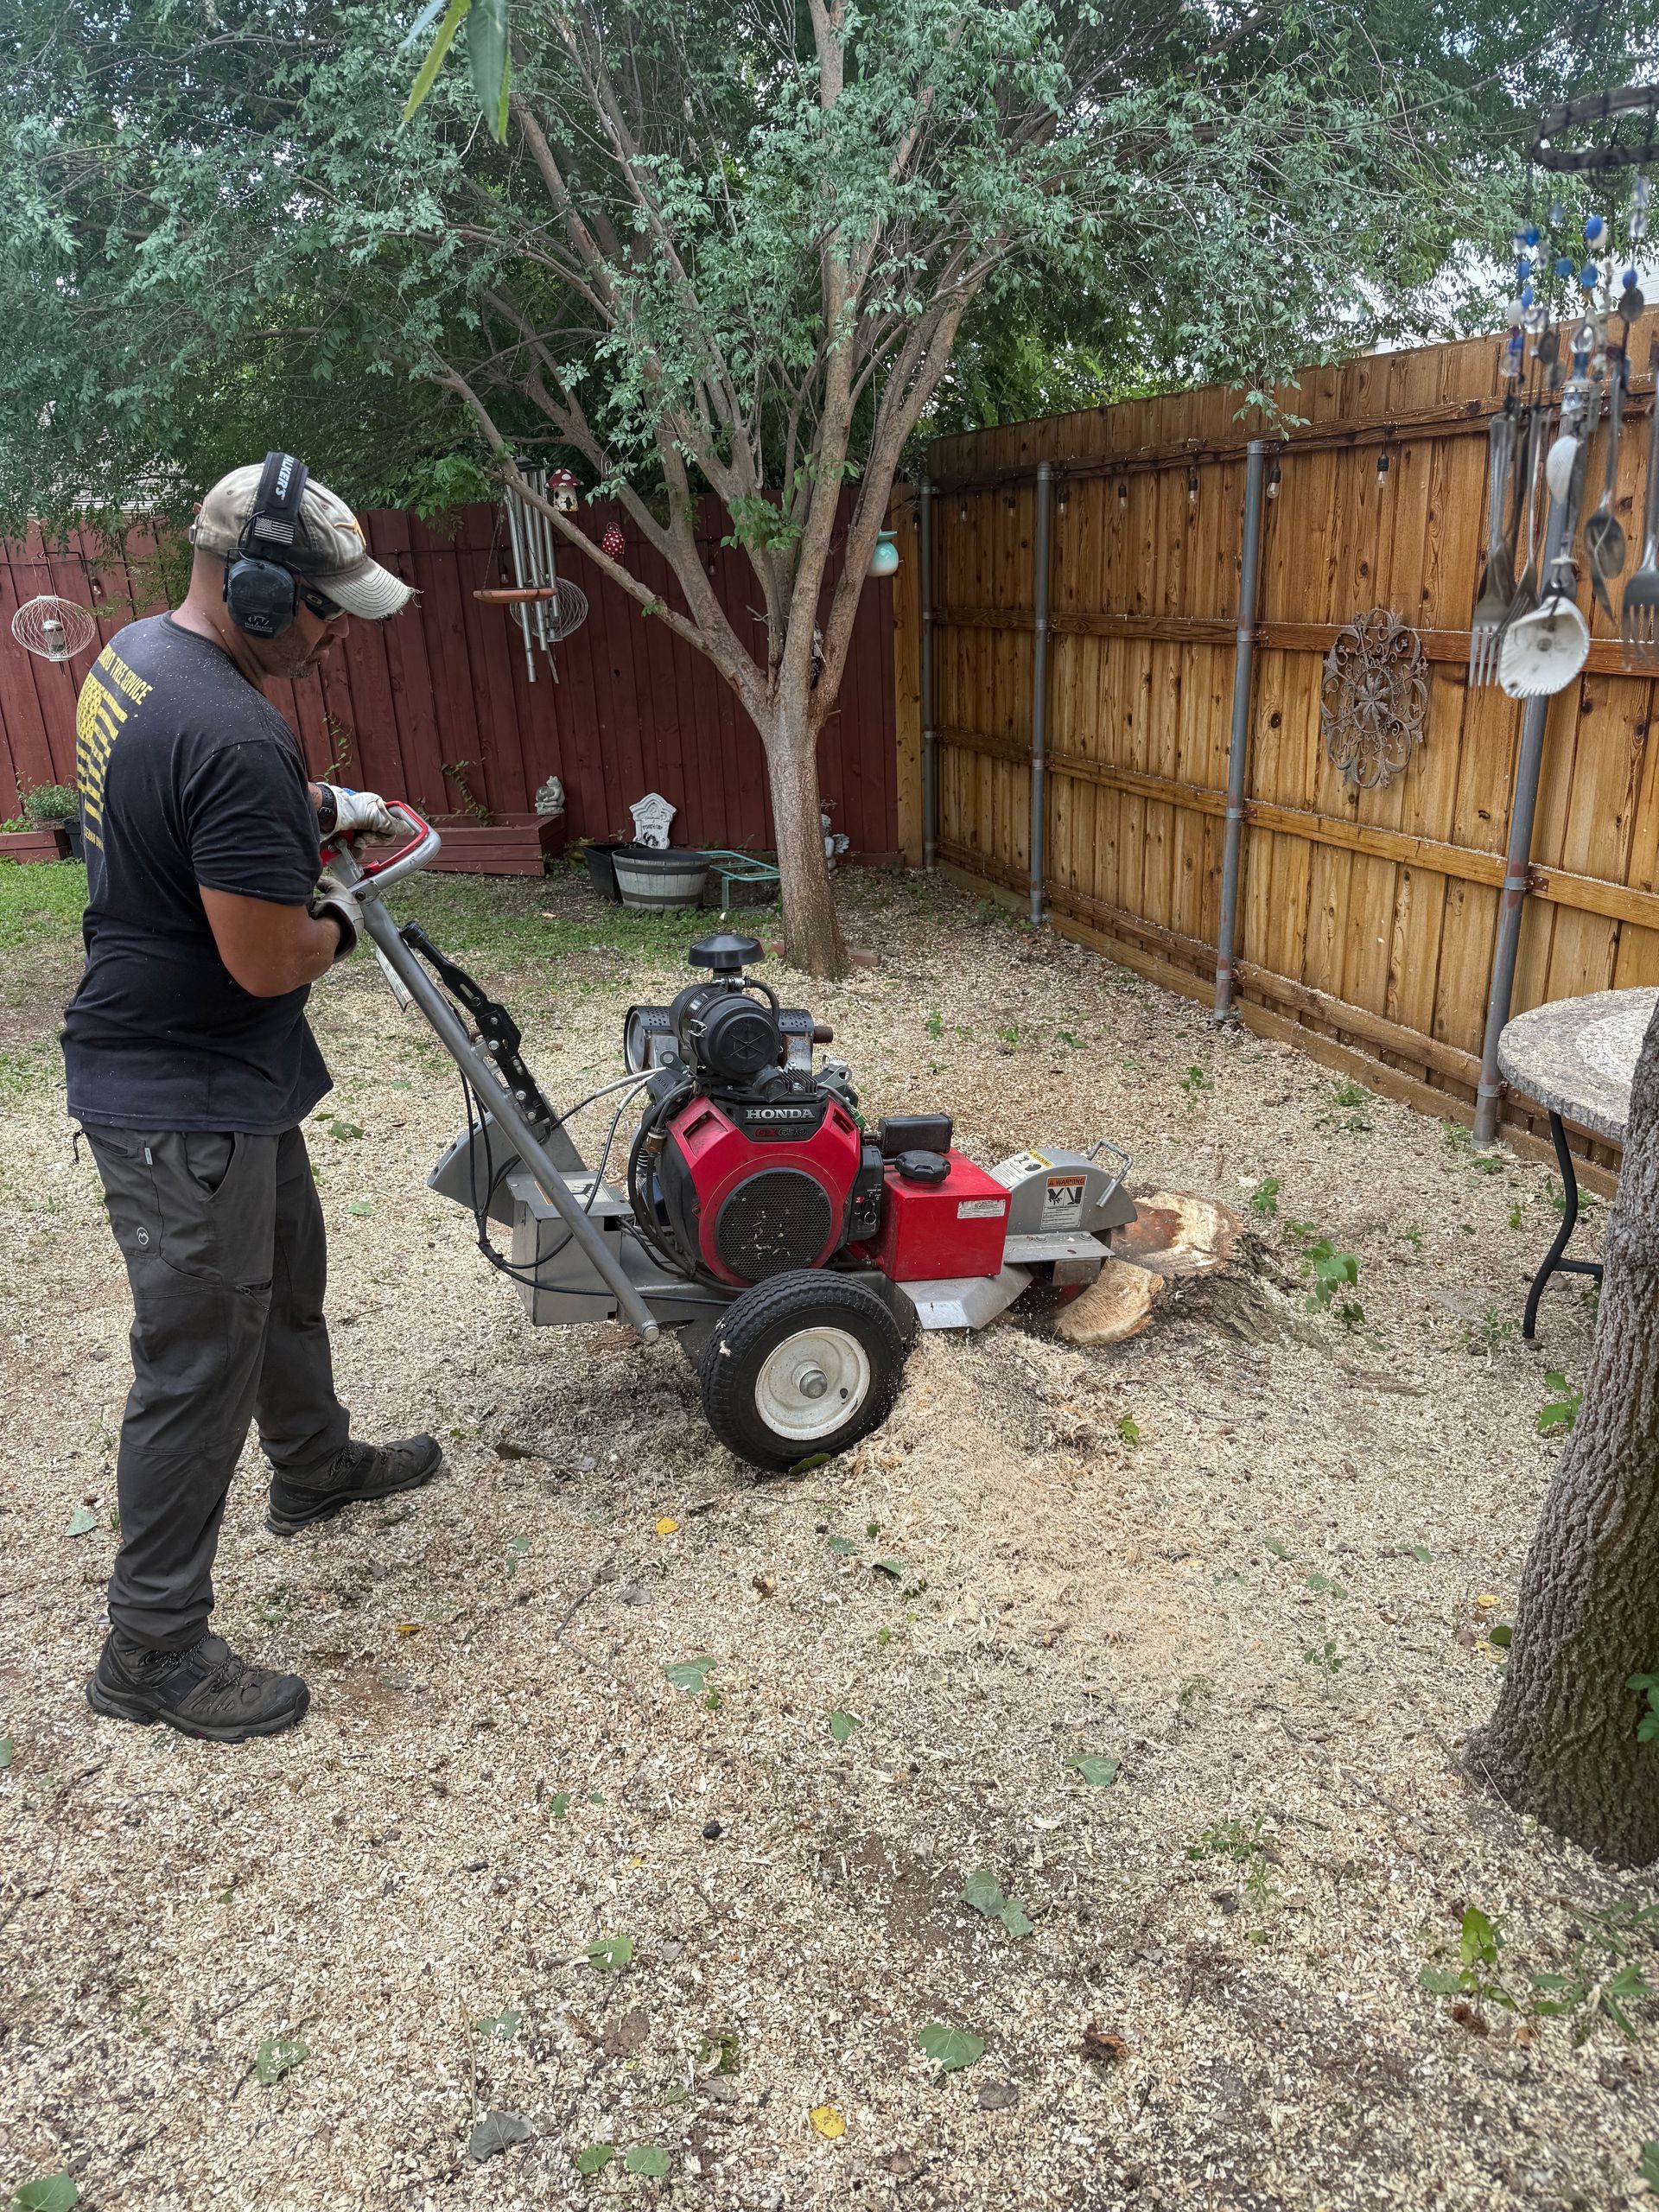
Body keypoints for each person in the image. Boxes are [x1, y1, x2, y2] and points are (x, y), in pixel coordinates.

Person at [64, 454, 442, 1745]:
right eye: (328, 609)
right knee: (195, 1356)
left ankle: (315, 1467)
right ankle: (151, 1650)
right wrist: (337, 910)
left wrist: (329, 804)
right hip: (181, 1090)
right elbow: (271, 956)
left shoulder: (141, 658)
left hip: (226, 1069)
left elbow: (179, 803)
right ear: (265, 589)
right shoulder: (227, 725)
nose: (336, 636)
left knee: (286, 1271)